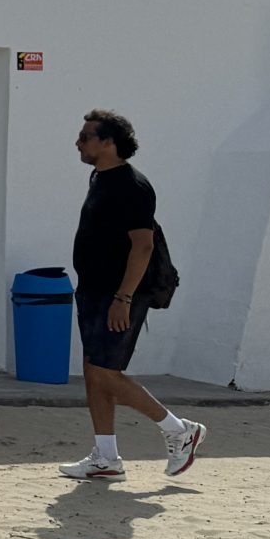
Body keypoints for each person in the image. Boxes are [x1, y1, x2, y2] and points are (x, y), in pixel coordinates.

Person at [60, 109, 204, 481]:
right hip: (93, 291)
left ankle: (179, 430)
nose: (78, 142)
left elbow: (142, 246)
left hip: (119, 296)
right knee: (94, 372)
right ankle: (106, 459)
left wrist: (122, 299)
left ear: (108, 142)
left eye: (86, 136)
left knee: (107, 373)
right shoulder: (99, 178)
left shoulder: (133, 186)